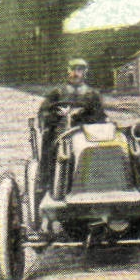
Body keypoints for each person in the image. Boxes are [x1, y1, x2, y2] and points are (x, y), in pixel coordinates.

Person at [36, 59, 106, 191]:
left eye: (79, 70)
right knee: (50, 142)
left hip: (86, 132)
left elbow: (100, 117)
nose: (76, 73)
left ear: (85, 72)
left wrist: (81, 115)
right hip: (61, 132)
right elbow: (44, 113)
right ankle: (46, 182)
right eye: (73, 70)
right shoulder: (57, 93)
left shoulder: (93, 94)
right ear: (68, 71)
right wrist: (57, 115)